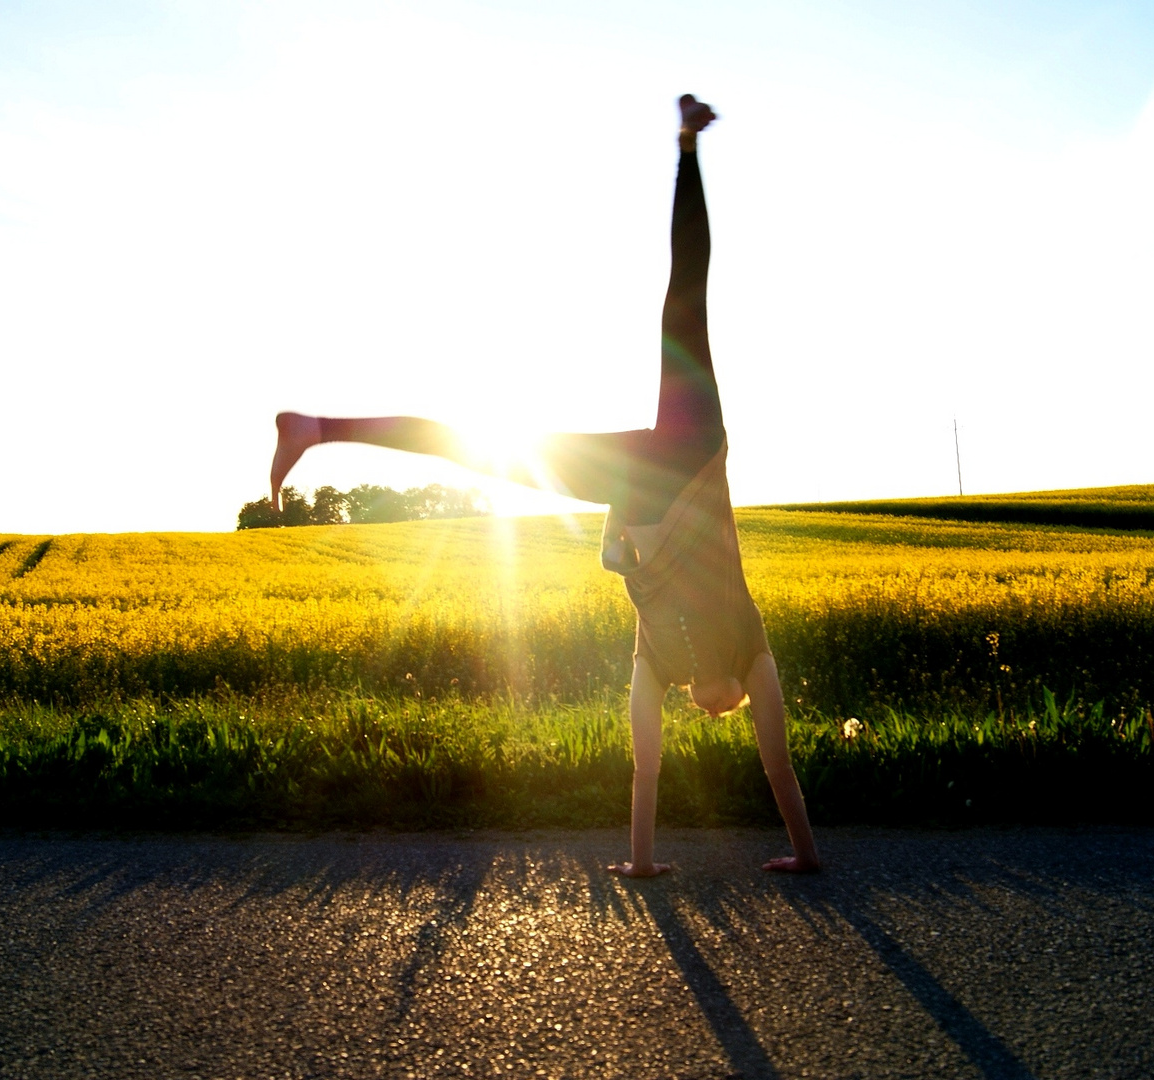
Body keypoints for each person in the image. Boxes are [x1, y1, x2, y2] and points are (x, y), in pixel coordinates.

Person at [269, 95, 820, 876]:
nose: (706, 702)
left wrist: (639, 864)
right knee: (686, 300)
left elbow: (645, 767)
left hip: (639, 483)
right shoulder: (750, 642)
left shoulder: (657, 663)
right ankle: (687, 144)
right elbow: (779, 766)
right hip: (695, 454)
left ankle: (317, 428)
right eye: (722, 702)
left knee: (485, 453)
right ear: (738, 693)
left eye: (703, 703)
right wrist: (805, 853)